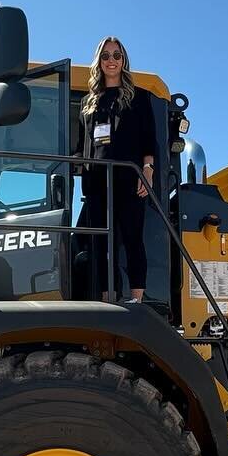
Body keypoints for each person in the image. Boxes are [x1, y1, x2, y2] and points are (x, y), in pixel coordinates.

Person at [75, 36, 156, 302]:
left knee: (132, 238)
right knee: (100, 245)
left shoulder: (139, 98)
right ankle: (109, 299)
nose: (112, 61)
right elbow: (83, 145)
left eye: (117, 56)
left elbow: (149, 140)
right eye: (106, 56)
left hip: (128, 177)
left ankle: (136, 299)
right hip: (97, 183)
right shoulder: (88, 104)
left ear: (124, 61)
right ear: (99, 61)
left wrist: (147, 170)